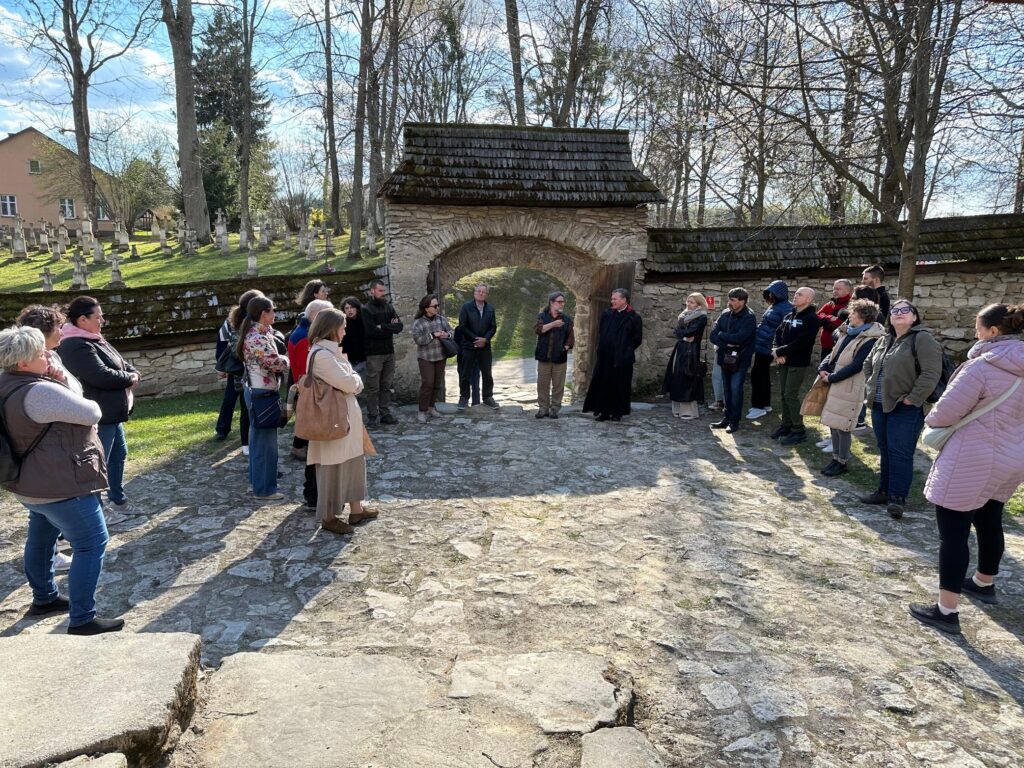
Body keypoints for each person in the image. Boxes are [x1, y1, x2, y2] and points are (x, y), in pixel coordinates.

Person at [909, 303, 1024, 635]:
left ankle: (946, 610)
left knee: (954, 533)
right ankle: (984, 582)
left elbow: (943, 413)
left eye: (978, 327)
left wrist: (932, 419)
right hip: (1012, 457)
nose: (975, 332)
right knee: (990, 519)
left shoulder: (981, 367)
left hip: (972, 456)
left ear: (993, 331)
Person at [0, 326, 123, 635]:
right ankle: (82, 619)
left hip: (30, 483)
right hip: (59, 484)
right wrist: (60, 378)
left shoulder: (5, 382)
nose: (47, 356)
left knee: (41, 537)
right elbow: (92, 412)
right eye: (40, 353)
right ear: (23, 362)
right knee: (92, 542)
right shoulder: (39, 391)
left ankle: (44, 598)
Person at [58, 296, 140, 518]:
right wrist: (130, 378)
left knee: (118, 455)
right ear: (82, 319)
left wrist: (132, 372)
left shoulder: (94, 338)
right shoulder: (75, 344)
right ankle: (99, 511)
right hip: (98, 414)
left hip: (112, 412)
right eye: (98, 317)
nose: (102, 320)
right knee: (97, 462)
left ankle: (118, 500)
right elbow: (100, 375)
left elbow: (119, 362)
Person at [861, 299, 943, 520]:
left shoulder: (922, 339)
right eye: (895, 310)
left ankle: (897, 498)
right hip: (880, 405)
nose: (899, 313)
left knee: (900, 452)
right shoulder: (885, 339)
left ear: (914, 317)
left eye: (906, 310)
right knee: (885, 449)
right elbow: (868, 364)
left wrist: (912, 399)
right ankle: (883, 492)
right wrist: (871, 386)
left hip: (905, 407)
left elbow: (931, 373)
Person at [16, 305, 81, 572]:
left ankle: (46, 574)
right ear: (44, 332)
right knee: (90, 537)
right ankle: (52, 557)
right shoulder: (37, 363)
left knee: (40, 520)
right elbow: (78, 401)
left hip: (40, 451)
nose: (63, 332)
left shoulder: (46, 357)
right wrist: (62, 380)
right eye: (58, 328)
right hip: (47, 449)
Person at [305, 308, 378, 535]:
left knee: (353, 459)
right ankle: (328, 516)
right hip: (332, 419)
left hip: (344, 417)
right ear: (332, 329)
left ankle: (356, 509)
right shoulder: (322, 355)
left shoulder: (330, 352)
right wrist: (355, 379)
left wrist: (352, 378)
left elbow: (348, 380)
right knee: (332, 464)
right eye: (342, 327)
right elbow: (349, 383)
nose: (345, 332)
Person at [816, 300, 884, 475]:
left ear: (863, 316)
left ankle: (842, 462)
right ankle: (835, 458)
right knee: (833, 422)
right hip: (835, 382)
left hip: (850, 386)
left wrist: (832, 377)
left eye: (853, 312)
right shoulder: (848, 331)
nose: (849, 315)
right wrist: (822, 368)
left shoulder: (871, 340)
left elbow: (857, 365)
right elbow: (834, 353)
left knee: (843, 426)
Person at [238, 295, 289, 501]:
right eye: (272, 310)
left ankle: (257, 484)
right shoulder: (256, 337)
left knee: (259, 441)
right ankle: (264, 490)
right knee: (265, 445)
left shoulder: (260, 333)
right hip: (262, 394)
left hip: (261, 392)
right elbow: (276, 364)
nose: (275, 314)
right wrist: (287, 359)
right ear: (263, 314)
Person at [288, 299, 334, 506]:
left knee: (315, 447)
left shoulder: (306, 334)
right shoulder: (302, 338)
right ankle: (313, 494)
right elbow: (304, 373)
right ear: (317, 316)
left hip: (312, 395)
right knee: (315, 449)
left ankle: (315, 492)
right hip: (311, 396)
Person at [583, 288, 643, 422]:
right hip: (606, 357)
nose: (612, 301)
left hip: (622, 359)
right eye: (612, 299)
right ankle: (603, 412)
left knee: (619, 386)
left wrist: (625, 350)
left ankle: (617, 413)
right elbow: (601, 331)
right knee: (604, 384)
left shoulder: (634, 317)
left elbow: (637, 339)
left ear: (624, 300)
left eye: (615, 299)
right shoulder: (607, 314)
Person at [214, 289, 263, 454]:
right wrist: (223, 366)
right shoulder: (233, 322)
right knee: (231, 400)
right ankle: (223, 429)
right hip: (237, 369)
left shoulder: (256, 322)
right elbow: (223, 343)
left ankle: (246, 439)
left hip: (247, 369)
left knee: (245, 404)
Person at [770, 287, 818, 444]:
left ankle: (798, 430)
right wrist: (777, 351)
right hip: (783, 360)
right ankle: (786, 425)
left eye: (800, 294)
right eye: (796, 293)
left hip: (798, 362)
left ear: (808, 299)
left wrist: (780, 351)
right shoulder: (789, 315)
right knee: (783, 395)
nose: (795, 296)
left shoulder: (811, 318)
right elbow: (778, 333)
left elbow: (802, 342)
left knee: (791, 395)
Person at [709, 288, 757, 434]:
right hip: (725, 357)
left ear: (742, 301)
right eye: (729, 299)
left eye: (733, 300)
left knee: (735, 389)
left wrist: (722, 335)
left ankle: (734, 421)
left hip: (740, 359)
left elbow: (740, 338)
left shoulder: (749, 317)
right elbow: (713, 335)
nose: (729, 302)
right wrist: (726, 343)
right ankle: (726, 418)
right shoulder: (725, 314)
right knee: (727, 389)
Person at [361, 280, 404, 426]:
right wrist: (389, 327)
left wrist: (383, 327)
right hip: (374, 353)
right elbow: (372, 331)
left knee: (386, 385)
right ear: (372, 291)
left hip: (389, 352)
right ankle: (372, 415)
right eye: (380, 291)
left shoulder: (388, 307)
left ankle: (385, 413)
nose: (383, 293)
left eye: (383, 291)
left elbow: (399, 327)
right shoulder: (366, 309)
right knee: (373, 387)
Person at [748, 281, 792, 420]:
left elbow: (785, 331)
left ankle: (758, 407)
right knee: (762, 375)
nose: (769, 296)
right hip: (762, 344)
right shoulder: (774, 306)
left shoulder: (787, 308)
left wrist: (779, 350)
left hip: (769, 346)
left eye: (772, 293)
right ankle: (765, 404)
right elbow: (765, 324)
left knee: (757, 375)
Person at [662, 292, 708, 419]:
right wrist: (683, 335)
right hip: (681, 348)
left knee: (687, 378)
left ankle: (688, 411)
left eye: (692, 302)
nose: (688, 304)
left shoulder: (702, 317)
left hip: (691, 351)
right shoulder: (683, 316)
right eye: (688, 301)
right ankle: (677, 409)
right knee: (676, 377)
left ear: (698, 304)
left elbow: (690, 331)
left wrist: (683, 333)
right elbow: (677, 332)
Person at [411, 294, 454, 423]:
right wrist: (433, 335)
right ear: (426, 308)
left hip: (440, 356)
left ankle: (431, 407)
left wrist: (446, 334)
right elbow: (418, 340)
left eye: (438, 305)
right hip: (426, 357)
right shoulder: (418, 322)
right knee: (428, 383)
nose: (437, 308)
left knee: (437, 384)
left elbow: (452, 332)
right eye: (434, 306)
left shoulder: (441, 319)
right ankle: (422, 411)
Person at [457, 284, 499, 410]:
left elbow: (493, 327)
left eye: (483, 292)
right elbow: (462, 326)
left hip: (485, 346)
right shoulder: (466, 307)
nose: (481, 293)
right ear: (474, 292)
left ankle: (487, 397)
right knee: (465, 373)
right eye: (478, 291)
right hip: (469, 346)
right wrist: (475, 339)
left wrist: (485, 339)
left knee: (487, 374)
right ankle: (464, 398)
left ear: (487, 294)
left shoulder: (490, 309)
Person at [535, 291, 575, 419]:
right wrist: (553, 324)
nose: (562, 304)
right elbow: (538, 330)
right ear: (551, 303)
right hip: (544, 357)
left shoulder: (567, 319)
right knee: (542, 385)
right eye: (559, 301)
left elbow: (571, 337)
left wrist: (565, 348)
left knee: (558, 386)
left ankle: (555, 409)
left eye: (563, 302)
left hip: (560, 358)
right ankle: (543, 409)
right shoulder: (542, 316)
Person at [816, 279, 853, 362]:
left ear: (848, 291)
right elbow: (816, 317)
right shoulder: (829, 304)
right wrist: (829, 318)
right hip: (826, 345)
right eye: (834, 289)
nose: (835, 291)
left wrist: (825, 319)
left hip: (841, 345)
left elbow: (840, 323)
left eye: (838, 289)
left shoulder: (851, 305)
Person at [454, 325, 481, 406]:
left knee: (475, 383)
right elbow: (456, 343)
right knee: (463, 382)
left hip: (475, 359)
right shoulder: (459, 329)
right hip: (462, 359)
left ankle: (476, 403)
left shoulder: (478, 327)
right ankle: (464, 401)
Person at [340, 297, 367, 376]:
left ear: (357, 308)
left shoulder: (364, 320)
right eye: (347, 308)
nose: (349, 310)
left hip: (364, 359)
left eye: (352, 307)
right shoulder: (341, 323)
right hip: (349, 361)